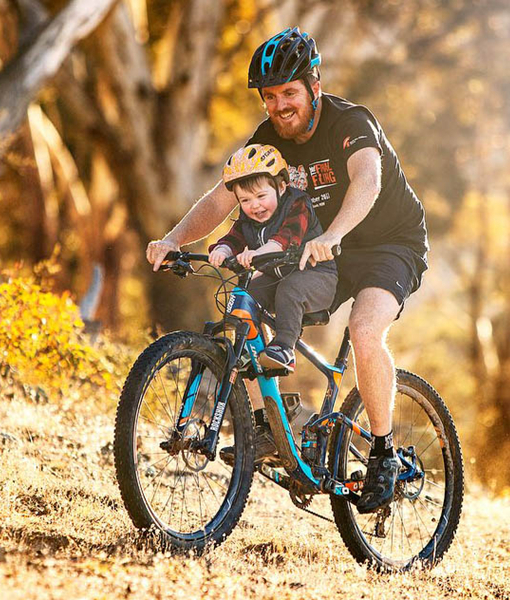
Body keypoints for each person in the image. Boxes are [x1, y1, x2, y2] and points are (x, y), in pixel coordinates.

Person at [146, 27, 429, 514]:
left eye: (290, 93)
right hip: (318, 251)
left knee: (364, 331)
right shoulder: (268, 139)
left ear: (314, 86)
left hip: (386, 244)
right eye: (270, 97)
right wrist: (173, 240)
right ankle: (273, 424)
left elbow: (368, 178)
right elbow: (222, 198)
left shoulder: (350, 122)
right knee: (253, 305)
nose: (280, 106)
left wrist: (333, 234)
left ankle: (384, 454)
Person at [209, 143, 337, 374]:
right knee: (246, 296)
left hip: (317, 276)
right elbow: (235, 236)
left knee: (291, 288)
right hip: (277, 277)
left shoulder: (298, 204)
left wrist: (257, 253)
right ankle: (247, 349)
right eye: (245, 200)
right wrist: (223, 250)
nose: (254, 205)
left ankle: (284, 348)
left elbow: (285, 239)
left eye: (260, 196)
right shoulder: (248, 217)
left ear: (281, 186)